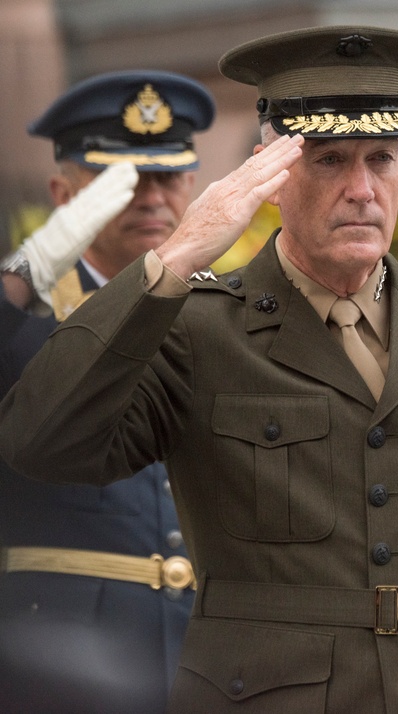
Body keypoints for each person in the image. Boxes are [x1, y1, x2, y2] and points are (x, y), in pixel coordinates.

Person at [0, 26, 398, 713]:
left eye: (382, 160)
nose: (362, 189)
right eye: (330, 160)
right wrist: (176, 258)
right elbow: (40, 440)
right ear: (269, 175)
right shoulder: (195, 324)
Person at [0, 71, 214, 714]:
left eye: (167, 177)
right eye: (121, 181)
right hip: (57, 660)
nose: (150, 197)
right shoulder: (25, 319)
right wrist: (25, 272)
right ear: (64, 193)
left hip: (209, 658)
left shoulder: (226, 316)